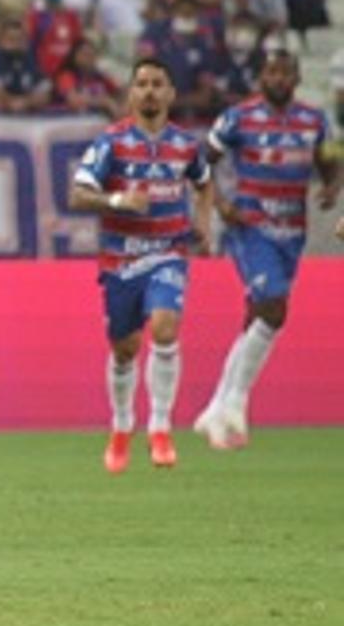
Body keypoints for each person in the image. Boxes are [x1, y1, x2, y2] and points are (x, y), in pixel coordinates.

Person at [72, 59, 214, 474]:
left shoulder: (186, 145)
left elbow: (204, 182)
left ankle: (161, 427)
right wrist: (118, 200)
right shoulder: (111, 143)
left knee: (167, 328)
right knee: (124, 349)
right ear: (131, 94)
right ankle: (121, 426)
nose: (149, 91)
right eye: (142, 84)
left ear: (170, 93)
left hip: (168, 251)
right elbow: (80, 195)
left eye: (157, 83)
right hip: (121, 259)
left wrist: (203, 223)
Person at [196, 52, 338, 449]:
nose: (278, 78)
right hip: (249, 227)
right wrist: (221, 206)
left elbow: (330, 161)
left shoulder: (314, 120)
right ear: (261, 77)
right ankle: (238, 403)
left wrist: (331, 186)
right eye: (271, 71)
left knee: (259, 316)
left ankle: (214, 408)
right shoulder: (239, 118)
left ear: (295, 78)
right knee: (274, 306)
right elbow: (201, 161)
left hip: (292, 231)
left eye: (285, 72)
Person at [0, 18, 52, 113]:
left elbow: (45, 94)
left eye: (21, 39)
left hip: (22, 117)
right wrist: (11, 101)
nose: (17, 43)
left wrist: (26, 102)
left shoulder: (31, 57)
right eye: (11, 39)